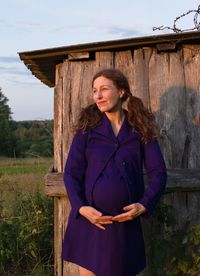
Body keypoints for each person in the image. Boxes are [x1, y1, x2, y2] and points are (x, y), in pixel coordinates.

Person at [62, 68, 167, 276]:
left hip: (124, 226)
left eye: (104, 89)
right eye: (94, 91)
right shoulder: (87, 130)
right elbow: (71, 173)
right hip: (91, 224)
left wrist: (144, 205)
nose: (98, 96)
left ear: (121, 92)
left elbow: (159, 172)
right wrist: (81, 208)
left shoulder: (140, 128)